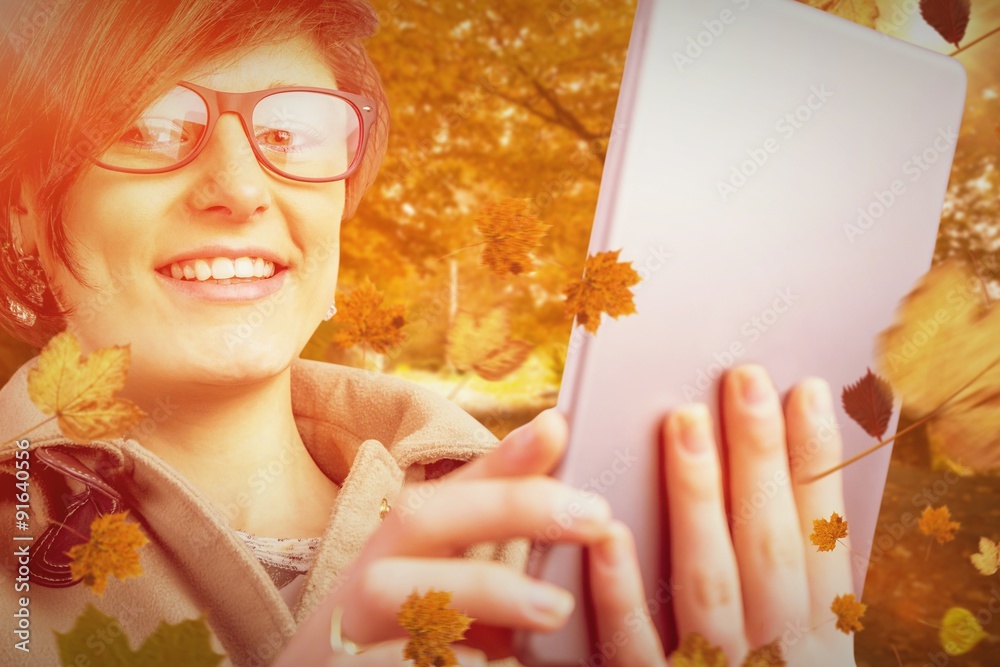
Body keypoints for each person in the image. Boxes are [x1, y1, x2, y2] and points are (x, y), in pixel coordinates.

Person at [0, 0, 855, 665]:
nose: (240, 187)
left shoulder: (566, 539)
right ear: (30, 211)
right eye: (150, 127)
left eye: (291, 133)